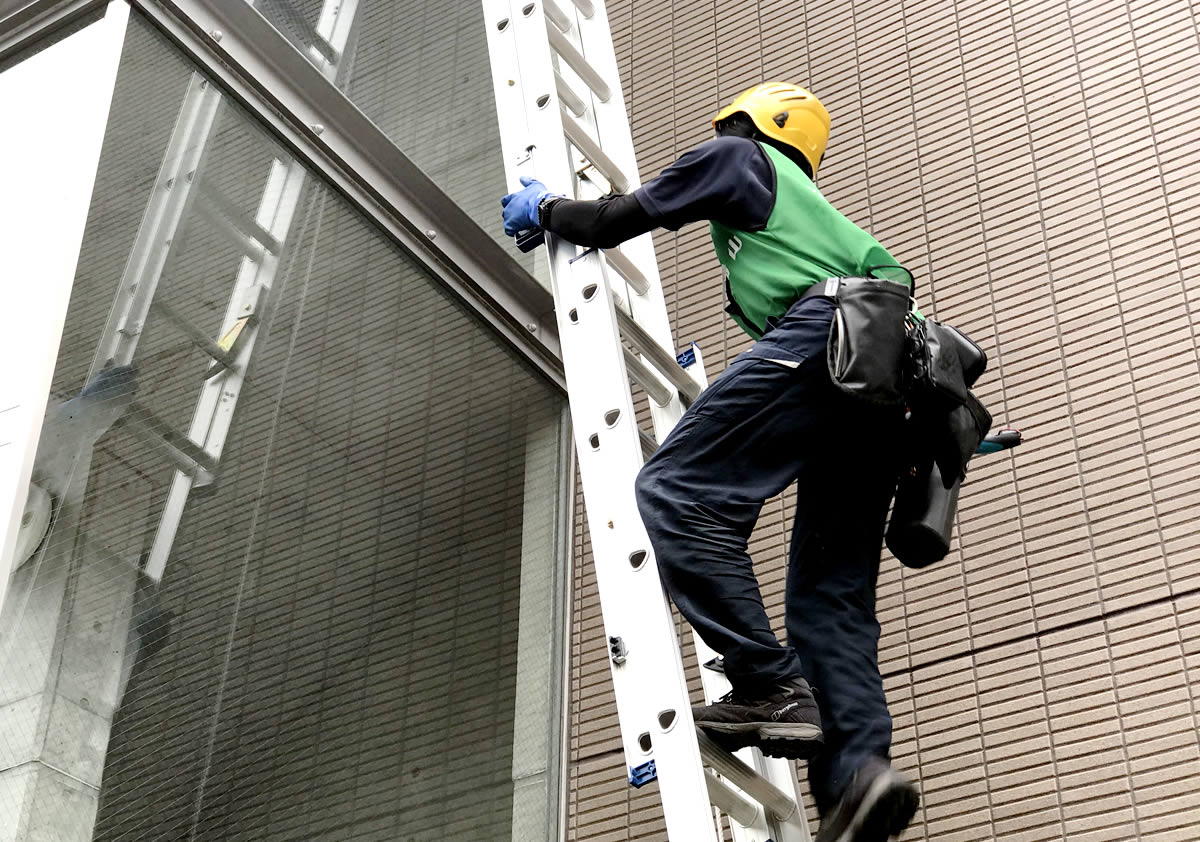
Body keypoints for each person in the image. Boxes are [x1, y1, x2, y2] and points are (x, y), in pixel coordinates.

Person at [501, 83, 919, 842]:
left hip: (836, 335)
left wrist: (549, 209)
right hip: (891, 391)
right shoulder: (806, 216)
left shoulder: (739, 157)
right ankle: (860, 781)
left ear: (750, 122)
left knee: (678, 488)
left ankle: (767, 684)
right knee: (830, 604)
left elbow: (616, 219)